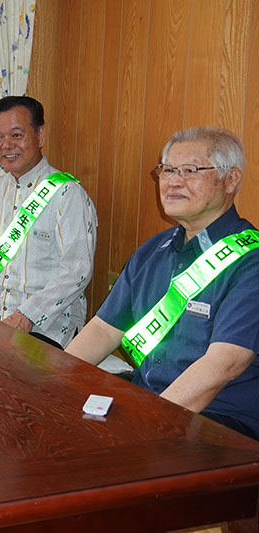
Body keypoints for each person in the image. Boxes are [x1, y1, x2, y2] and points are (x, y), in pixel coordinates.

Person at [66, 126, 259, 440]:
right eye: (167, 170)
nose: (173, 181)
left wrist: (144, 424)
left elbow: (224, 364)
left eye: (190, 170)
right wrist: (54, 380)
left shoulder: (250, 261)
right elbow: (103, 329)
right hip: (149, 398)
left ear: (231, 179)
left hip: (219, 421)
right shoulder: (153, 251)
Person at [0, 96, 97, 349]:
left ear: (40, 136)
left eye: (16, 135)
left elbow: (76, 271)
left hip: (46, 327)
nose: (6, 145)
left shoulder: (66, 193)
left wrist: (26, 316)